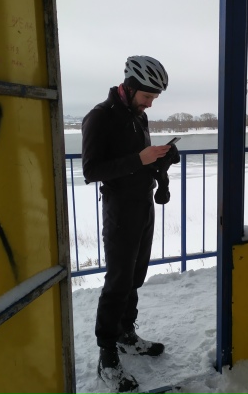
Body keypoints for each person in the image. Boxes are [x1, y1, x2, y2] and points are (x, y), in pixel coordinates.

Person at [81, 55, 179, 392]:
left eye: (154, 98)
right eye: (147, 96)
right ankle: (107, 353)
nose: (150, 103)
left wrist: (160, 158)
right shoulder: (100, 117)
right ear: (131, 86)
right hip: (120, 208)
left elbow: (139, 162)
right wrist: (140, 158)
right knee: (118, 280)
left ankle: (126, 334)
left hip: (142, 204)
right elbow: (91, 170)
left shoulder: (138, 117)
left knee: (135, 275)